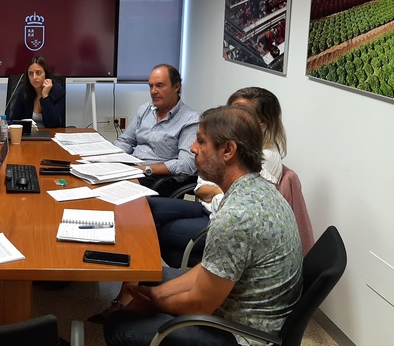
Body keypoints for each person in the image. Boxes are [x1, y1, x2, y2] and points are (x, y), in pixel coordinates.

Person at [103, 104, 303, 346]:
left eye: (201, 141)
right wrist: (156, 294)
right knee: (147, 278)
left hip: (242, 335)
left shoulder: (236, 217)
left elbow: (200, 305)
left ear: (228, 150)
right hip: (254, 316)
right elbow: (212, 267)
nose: (192, 148)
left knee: (120, 326)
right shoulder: (260, 189)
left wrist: (154, 303)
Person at [148, 86, 286, 268]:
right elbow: (202, 186)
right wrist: (216, 190)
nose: (193, 148)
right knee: (145, 208)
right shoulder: (226, 146)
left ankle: (143, 273)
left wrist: (216, 191)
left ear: (261, 123)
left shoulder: (262, 156)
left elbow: (231, 204)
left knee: (156, 231)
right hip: (206, 208)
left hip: (217, 218)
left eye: (241, 114)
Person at [114, 64, 199, 193]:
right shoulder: (145, 109)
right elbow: (126, 141)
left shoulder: (190, 119)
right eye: (151, 86)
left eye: (159, 85)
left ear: (176, 87)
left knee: (116, 190)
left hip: (159, 178)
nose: (153, 91)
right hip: (133, 169)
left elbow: (186, 164)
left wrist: (146, 169)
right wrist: (111, 158)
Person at [0, 56, 66, 128]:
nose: (34, 77)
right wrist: (4, 122)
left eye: (38, 73)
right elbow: (15, 120)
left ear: (46, 74)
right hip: (29, 136)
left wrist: (45, 96)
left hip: (50, 136)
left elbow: (53, 124)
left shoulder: (58, 92)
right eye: (31, 74)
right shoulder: (24, 92)